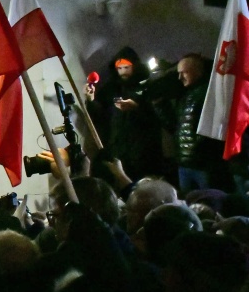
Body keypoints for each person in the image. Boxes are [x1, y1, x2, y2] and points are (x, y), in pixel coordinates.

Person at [154, 54, 230, 193]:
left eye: (184, 72)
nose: (180, 77)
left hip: (203, 164)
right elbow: (177, 127)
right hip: (185, 162)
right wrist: (160, 106)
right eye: (179, 73)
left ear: (197, 71)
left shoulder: (208, 95)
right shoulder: (186, 96)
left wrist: (199, 147)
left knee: (209, 203)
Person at [85, 47, 163, 182]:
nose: (123, 72)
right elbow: (100, 116)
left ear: (135, 66)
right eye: (119, 68)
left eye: (126, 67)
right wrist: (91, 100)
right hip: (118, 152)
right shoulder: (112, 89)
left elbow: (158, 118)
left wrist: (137, 108)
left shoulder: (147, 87)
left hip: (142, 155)